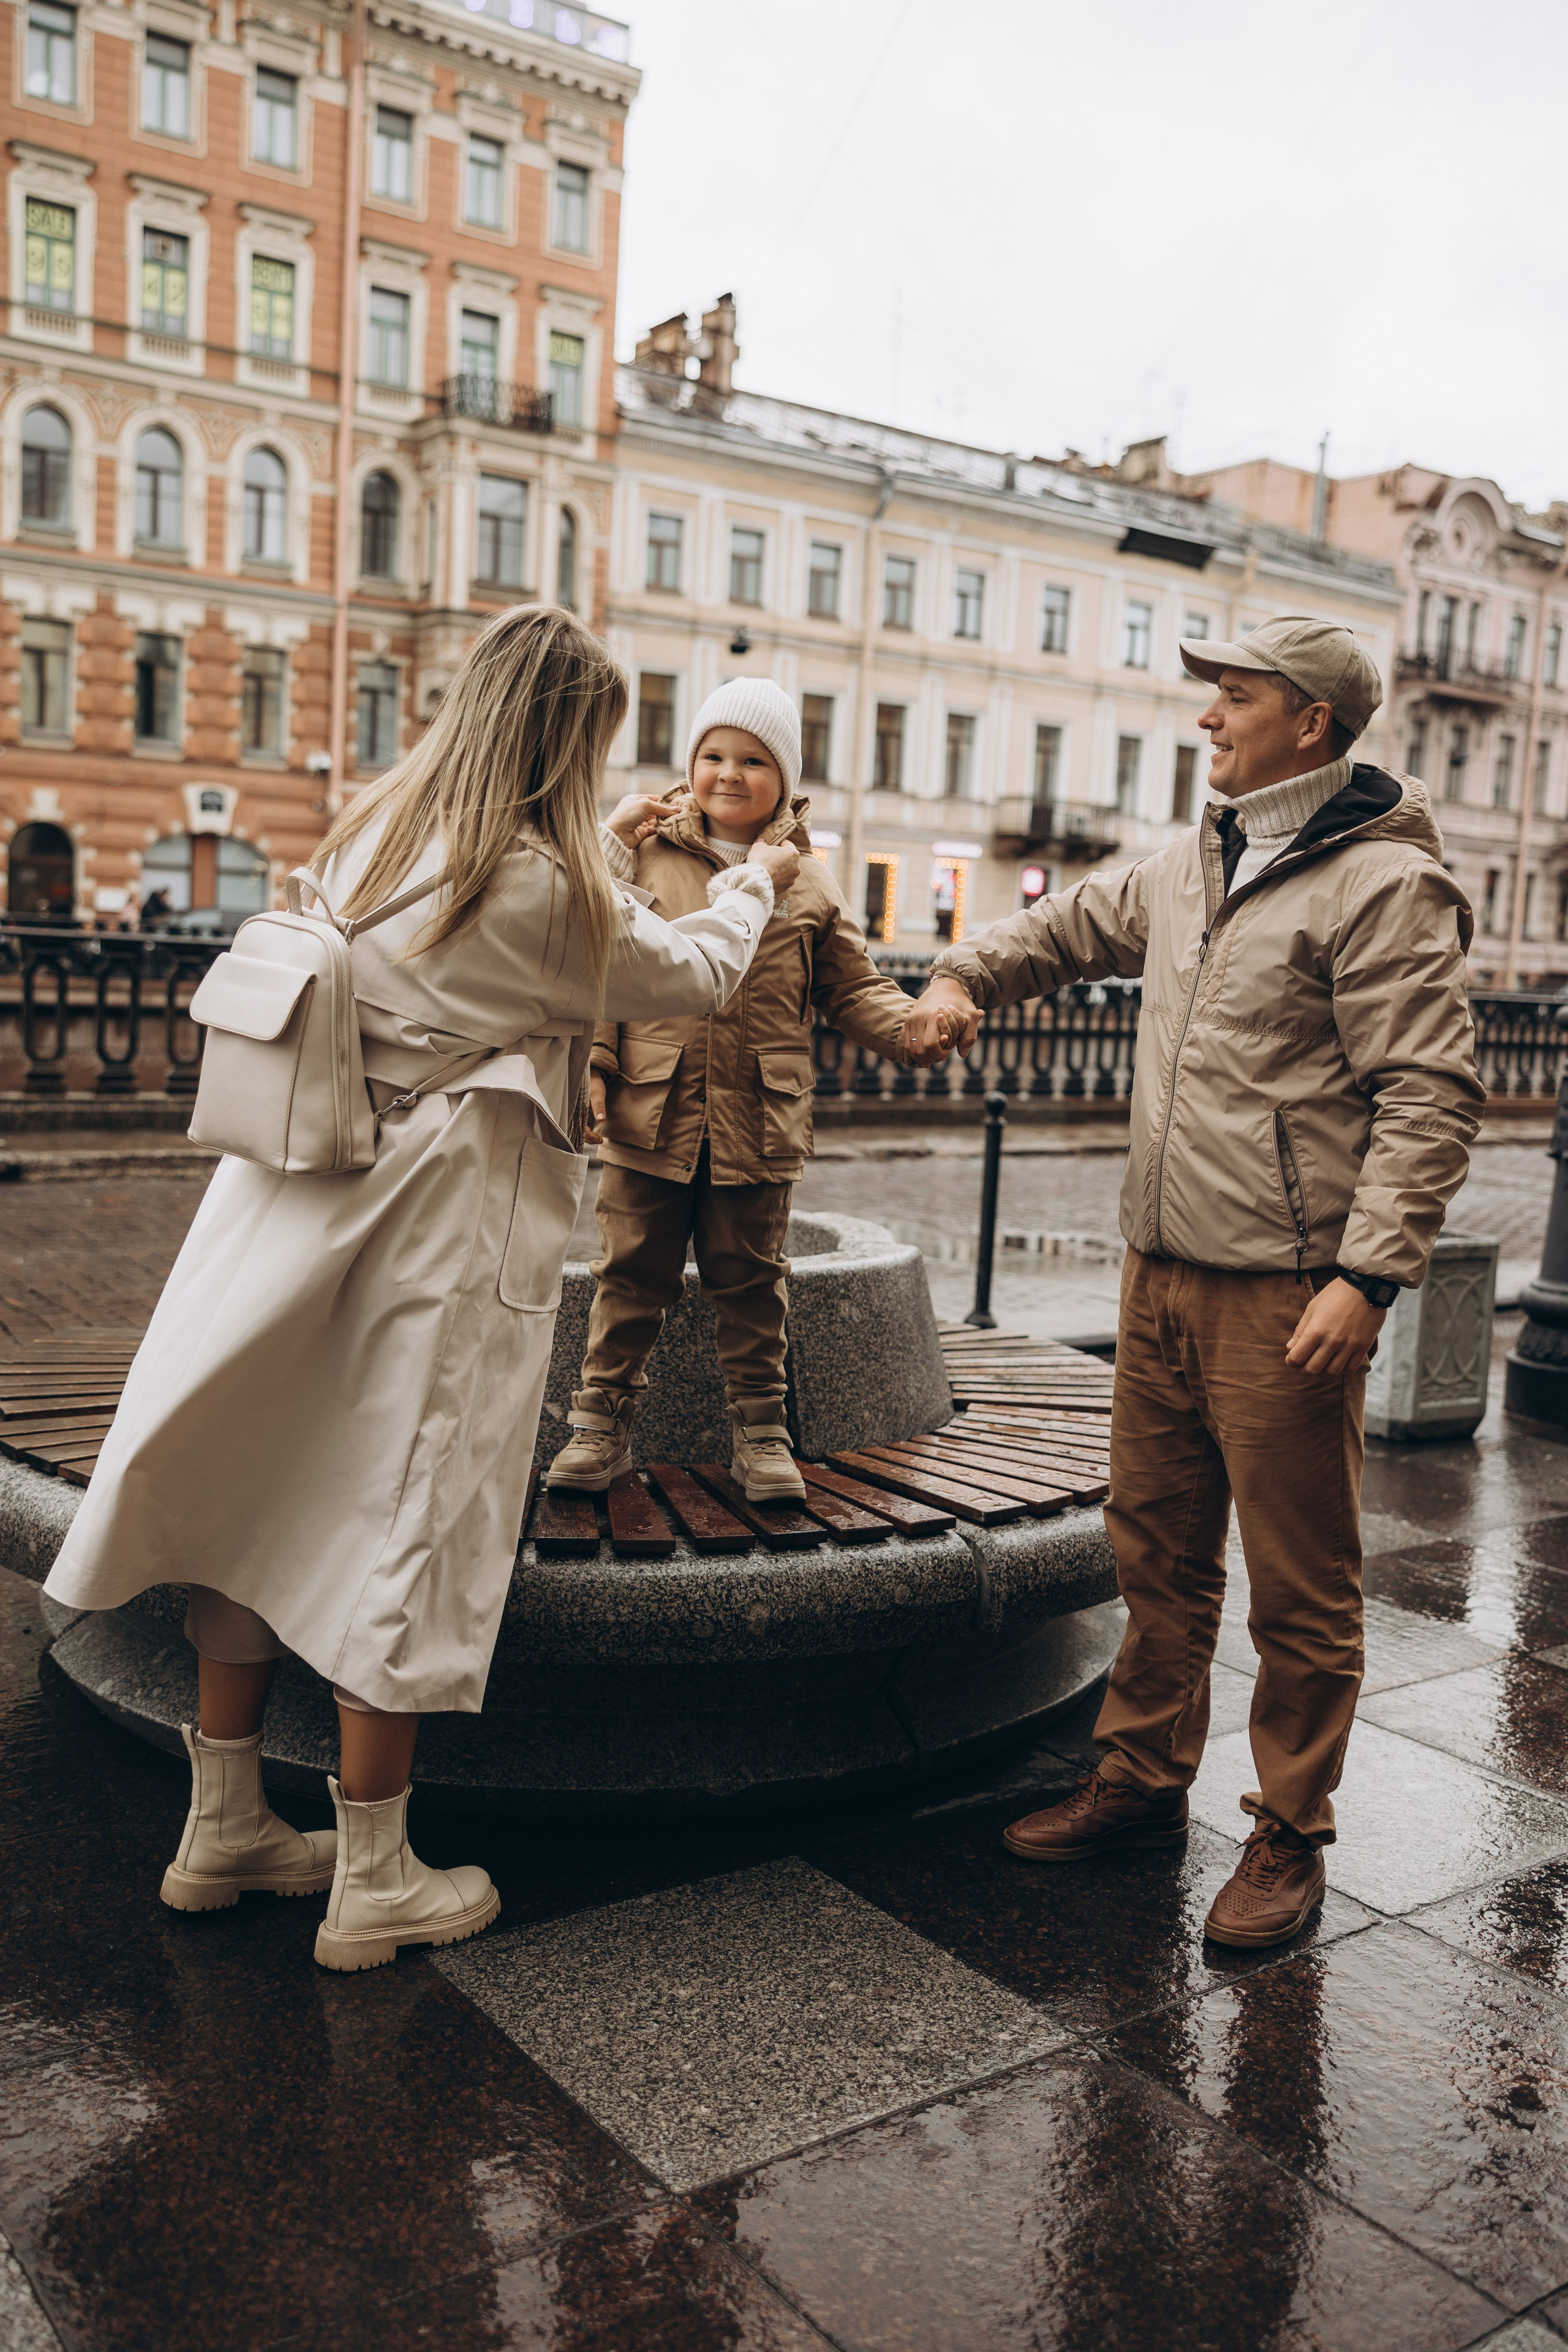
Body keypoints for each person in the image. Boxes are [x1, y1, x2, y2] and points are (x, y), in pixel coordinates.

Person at [43, 608, 798, 1972]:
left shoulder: (376, 829)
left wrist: (606, 847)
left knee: (250, 1493)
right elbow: (689, 970)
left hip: (288, 1203)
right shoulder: (544, 888)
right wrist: (752, 878)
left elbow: (494, 932)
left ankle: (224, 1828)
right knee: (405, 1520)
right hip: (427, 1227)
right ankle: (376, 1877)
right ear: (568, 740)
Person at [905, 617, 1483, 1948]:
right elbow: (1062, 930)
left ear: (1311, 723)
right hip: (1156, 1270)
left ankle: (1290, 1829)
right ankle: (1140, 1779)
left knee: (1300, 1581)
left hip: (1287, 1292)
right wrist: (959, 974)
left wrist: (1368, 1276)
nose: (1208, 717)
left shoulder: (1383, 886)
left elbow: (1429, 1096)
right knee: (1155, 1549)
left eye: (1234, 696)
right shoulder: (1197, 858)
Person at [545, 678, 926, 1503]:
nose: (728, 773)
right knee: (628, 1275)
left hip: (757, 1119)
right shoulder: (646, 854)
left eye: (753, 760)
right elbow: (603, 967)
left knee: (752, 1282)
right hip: (651, 1113)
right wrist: (596, 1063)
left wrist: (911, 1026)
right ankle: (599, 1425)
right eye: (713, 754)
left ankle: (762, 1434)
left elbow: (852, 988)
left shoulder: (809, 882)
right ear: (690, 764)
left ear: (784, 779)